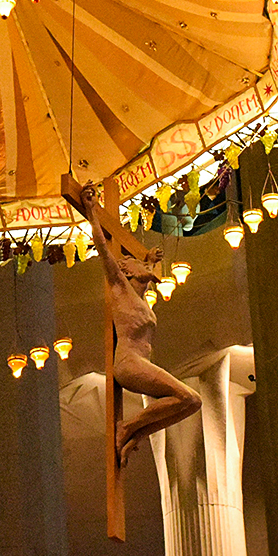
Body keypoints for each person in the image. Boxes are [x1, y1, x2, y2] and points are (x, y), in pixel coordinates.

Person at [81, 184, 201, 466]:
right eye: (137, 263)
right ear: (125, 269)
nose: (146, 268)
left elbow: (147, 279)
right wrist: (91, 212)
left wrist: (147, 261)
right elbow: (102, 248)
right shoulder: (119, 286)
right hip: (128, 362)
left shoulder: (140, 299)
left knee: (191, 403)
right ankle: (130, 427)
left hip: (141, 362)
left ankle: (133, 432)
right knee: (189, 398)